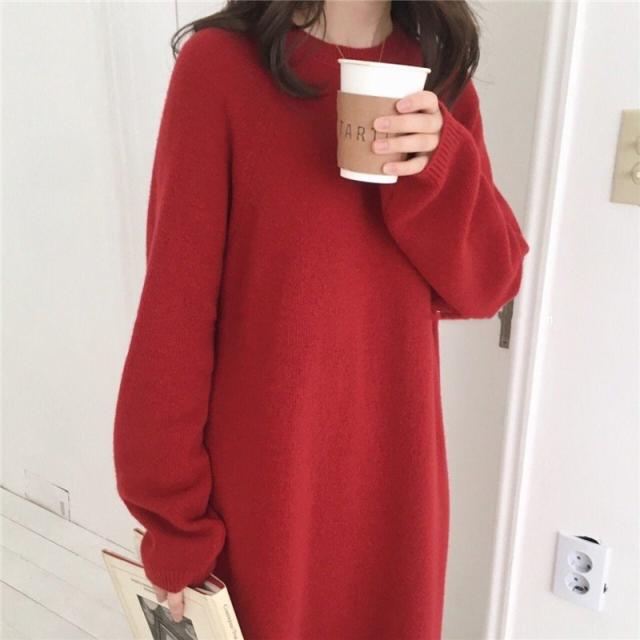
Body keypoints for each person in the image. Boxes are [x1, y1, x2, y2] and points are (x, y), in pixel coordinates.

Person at [113, 1, 530, 638]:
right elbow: (174, 314)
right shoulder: (219, 68)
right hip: (264, 497)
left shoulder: (435, 80)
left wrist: (439, 164)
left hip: (397, 489)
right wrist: (173, 523)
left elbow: (488, 284)